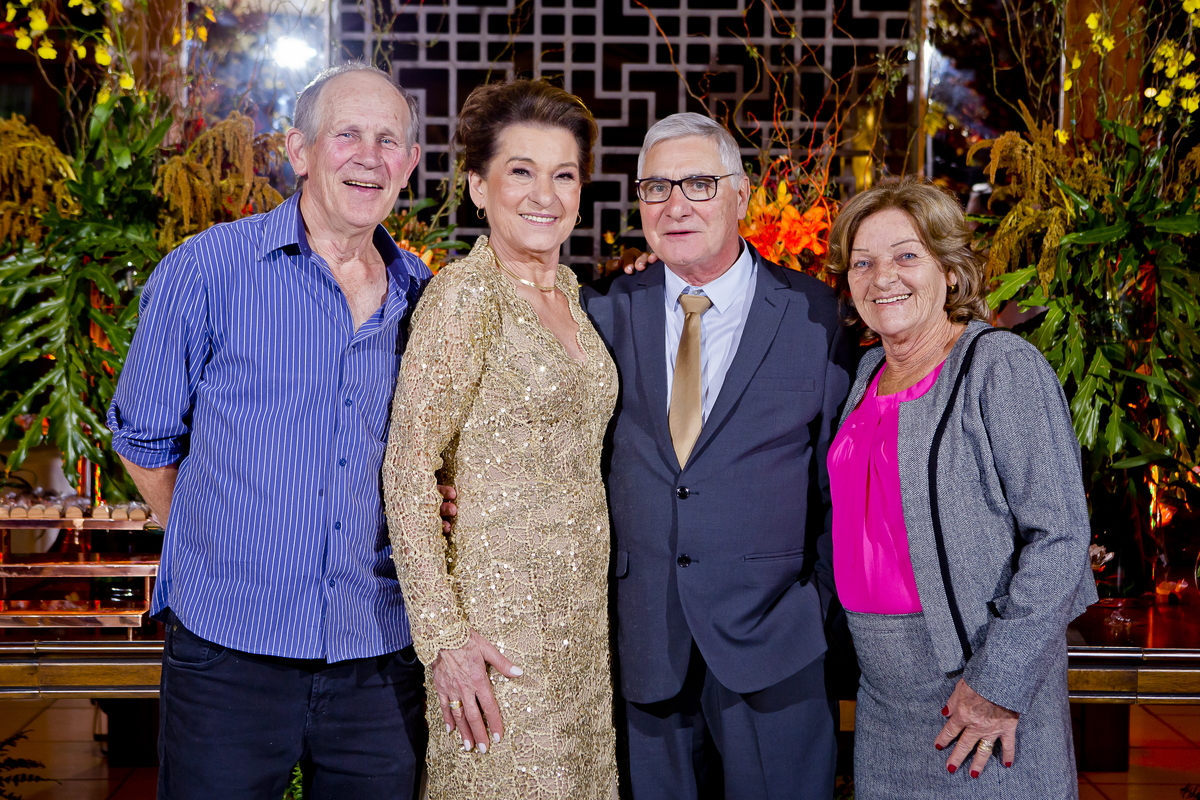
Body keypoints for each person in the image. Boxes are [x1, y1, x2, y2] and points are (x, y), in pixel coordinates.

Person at [107, 63, 432, 799]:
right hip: (230, 654)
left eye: (389, 141)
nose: (369, 157)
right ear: (299, 150)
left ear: (410, 163)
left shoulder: (425, 297)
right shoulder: (209, 270)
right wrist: (223, 550)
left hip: (377, 657)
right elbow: (144, 440)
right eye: (347, 134)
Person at [582, 112, 856, 799]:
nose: (675, 205)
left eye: (699, 184)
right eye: (656, 187)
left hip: (778, 644)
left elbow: (841, 485)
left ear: (741, 195)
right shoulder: (604, 311)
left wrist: (816, 608)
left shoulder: (818, 316)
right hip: (646, 643)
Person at [382, 79, 619, 799]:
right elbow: (408, 466)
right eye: (521, 171)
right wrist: (445, 641)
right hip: (496, 632)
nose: (545, 194)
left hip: (580, 626)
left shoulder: (570, 294)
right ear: (479, 188)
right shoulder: (466, 296)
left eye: (564, 175)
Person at [825, 176, 1097, 799]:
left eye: (906, 256)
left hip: (976, 682)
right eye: (863, 262)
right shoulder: (866, 371)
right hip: (881, 694)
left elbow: (1060, 539)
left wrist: (998, 684)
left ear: (950, 271)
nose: (882, 277)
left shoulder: (1001, 367)